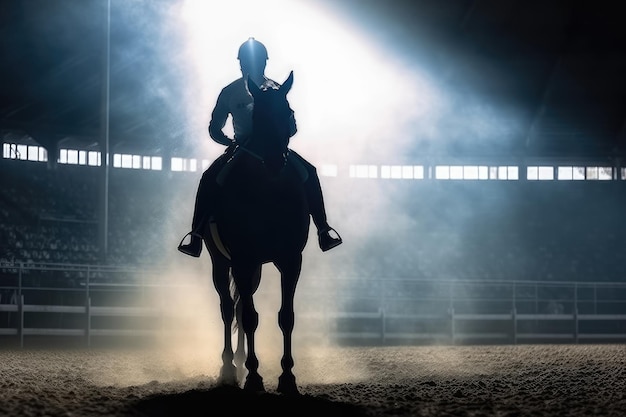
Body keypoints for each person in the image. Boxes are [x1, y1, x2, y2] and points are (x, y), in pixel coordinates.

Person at [178, 37, 342, 257]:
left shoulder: (277, 89)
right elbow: (214, 128)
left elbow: (291, 127)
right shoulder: (229, 92)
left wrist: (281, 135)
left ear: (264, 62)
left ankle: (323, 229)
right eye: (246, 61)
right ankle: (197, 235)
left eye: (254, 60)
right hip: (243, 148)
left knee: (309, 172)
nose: (250, 65)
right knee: (209, 177)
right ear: (240, 63)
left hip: (274, 148)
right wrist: (229, 143)